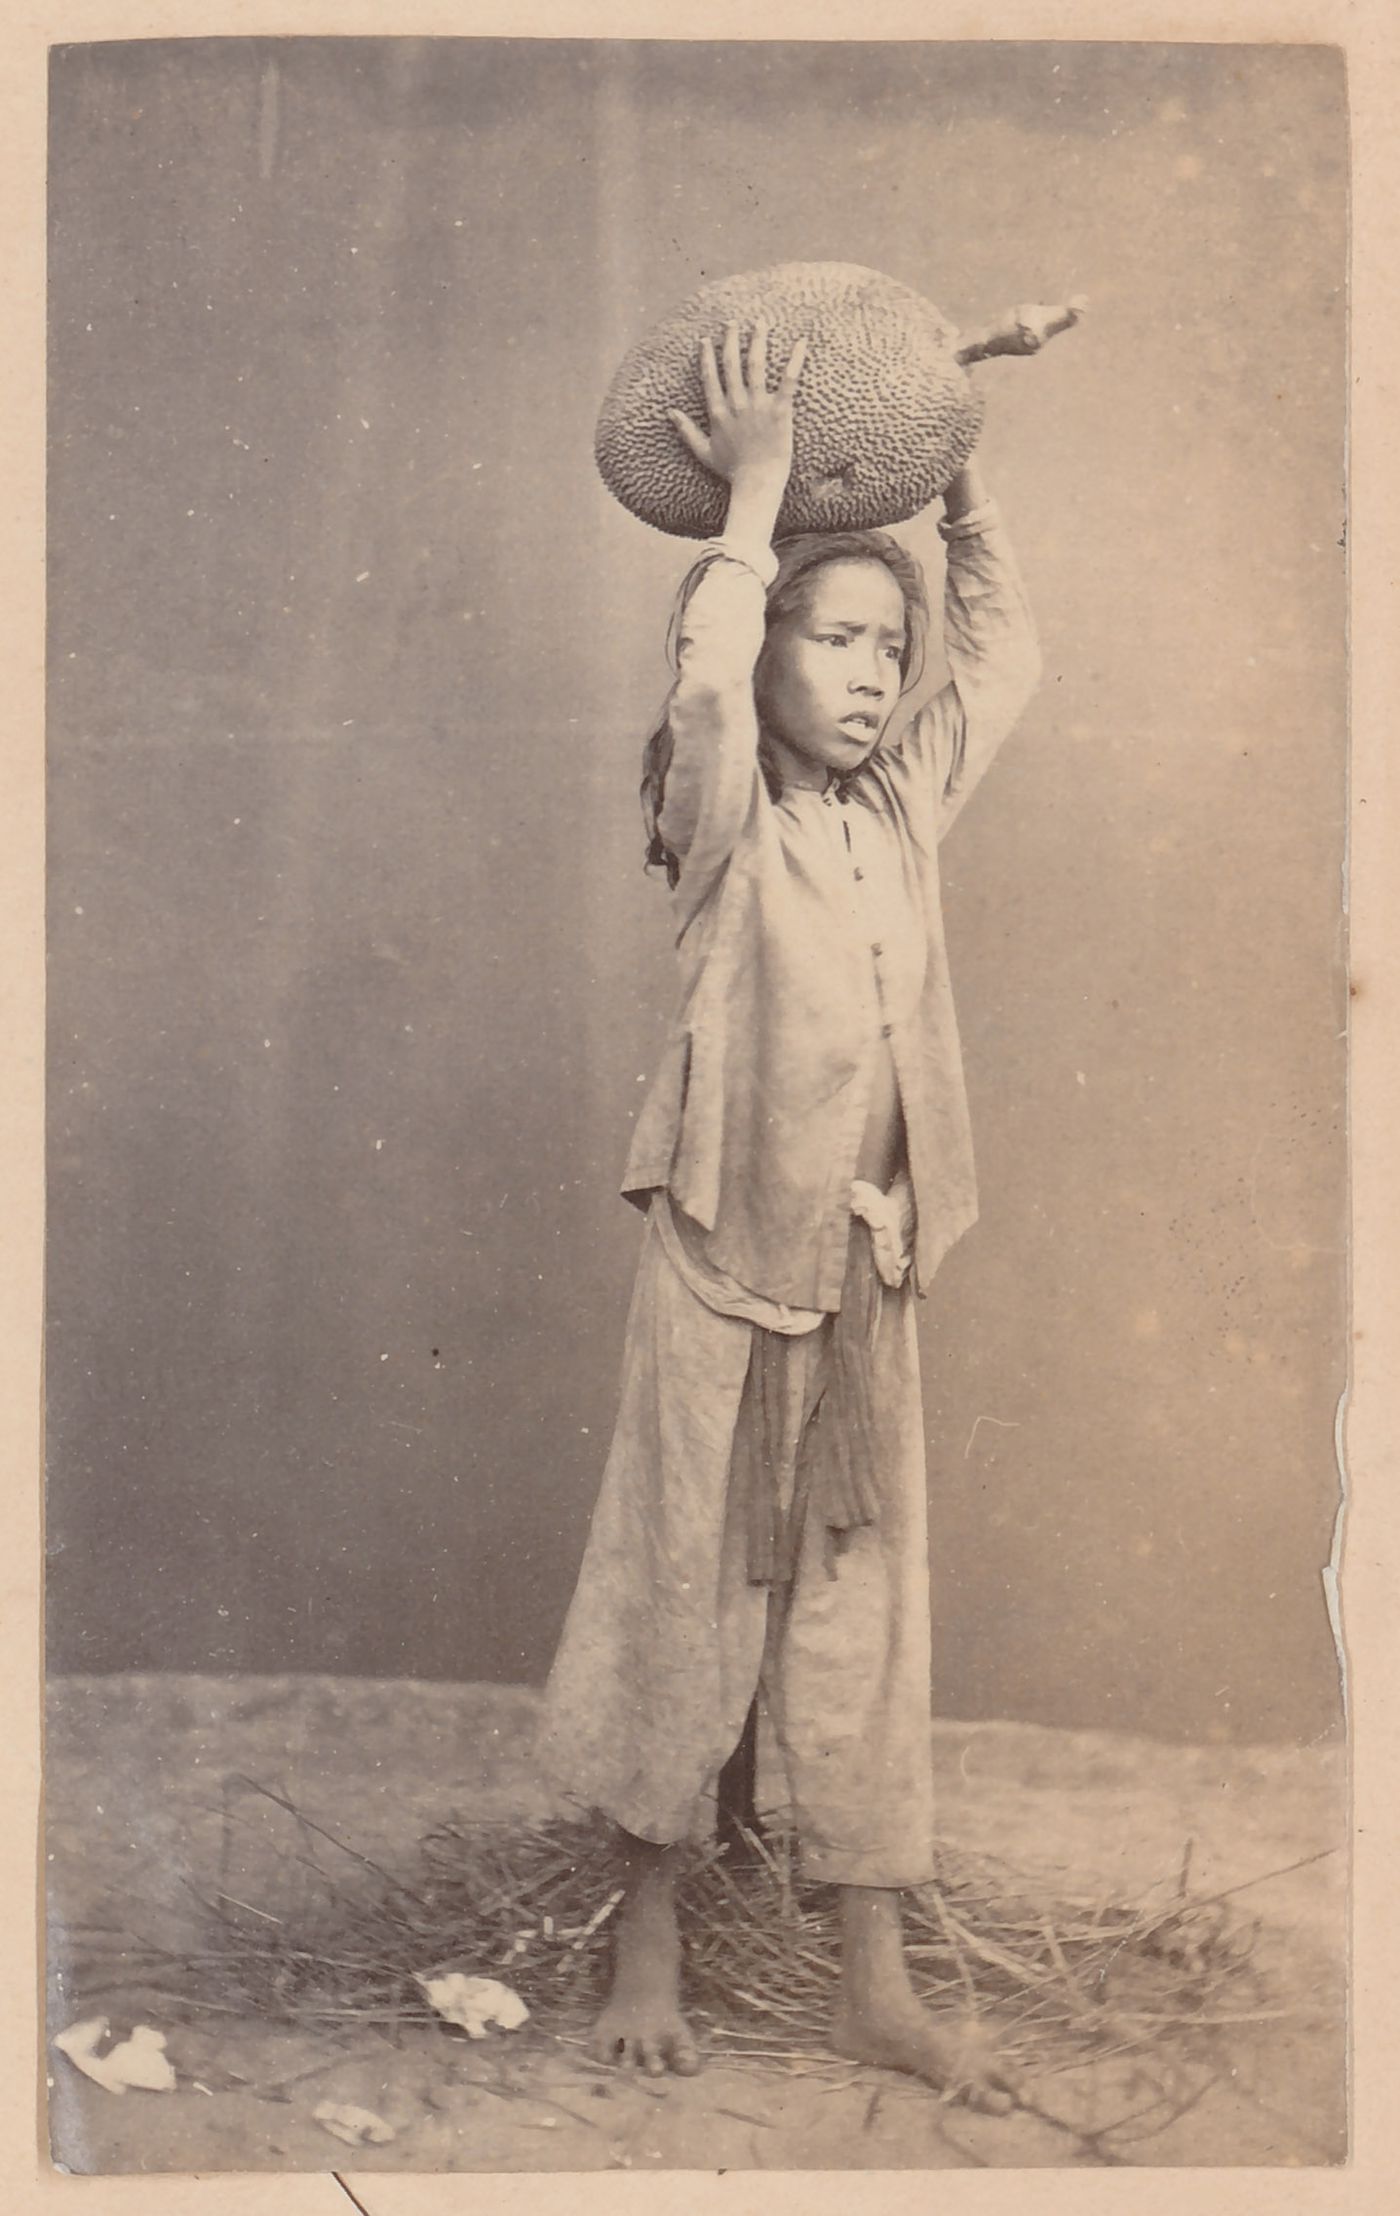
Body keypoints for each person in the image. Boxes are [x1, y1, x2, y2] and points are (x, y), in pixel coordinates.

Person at [535, 318, 1042, 2111]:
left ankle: (871, 1977)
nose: (869, 671)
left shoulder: (898, 814)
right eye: (834, 635)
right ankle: (648, 1931)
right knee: (690, 1591)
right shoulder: (723, 812)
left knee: (864, 1606)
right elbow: (701, 680)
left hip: (867, 1269)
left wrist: (943, 451)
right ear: (766, 657)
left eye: (881, 646)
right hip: (724, 1272)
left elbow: (1000, 651)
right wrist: (760, 491)